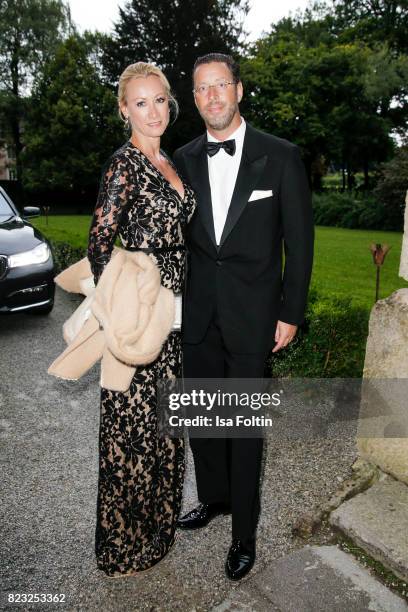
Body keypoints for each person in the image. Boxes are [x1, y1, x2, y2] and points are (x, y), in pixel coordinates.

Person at [173, 53, 314, 581]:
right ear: (195, 99)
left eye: (221, 86)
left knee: (244, 429)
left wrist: (291, 311)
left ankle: (244, 534)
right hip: (197, 316)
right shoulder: (181, 159)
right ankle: (213, 499)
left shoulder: (280, 157)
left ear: (239, 90)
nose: (213, 97)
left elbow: (299, 245)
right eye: (202, 89)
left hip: (255, 318)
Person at [87, 62, 196, 577]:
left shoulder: (169, 160)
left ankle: (158, 530)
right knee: (131, 430)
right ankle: (123, 546)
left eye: (160, 100)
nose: (153, 111)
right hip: (141, 318)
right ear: (124, 109)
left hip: (174, 317)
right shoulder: (124, 164)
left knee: (164, 429)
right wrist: (122, 312)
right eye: (140, 102)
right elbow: (98, 244)